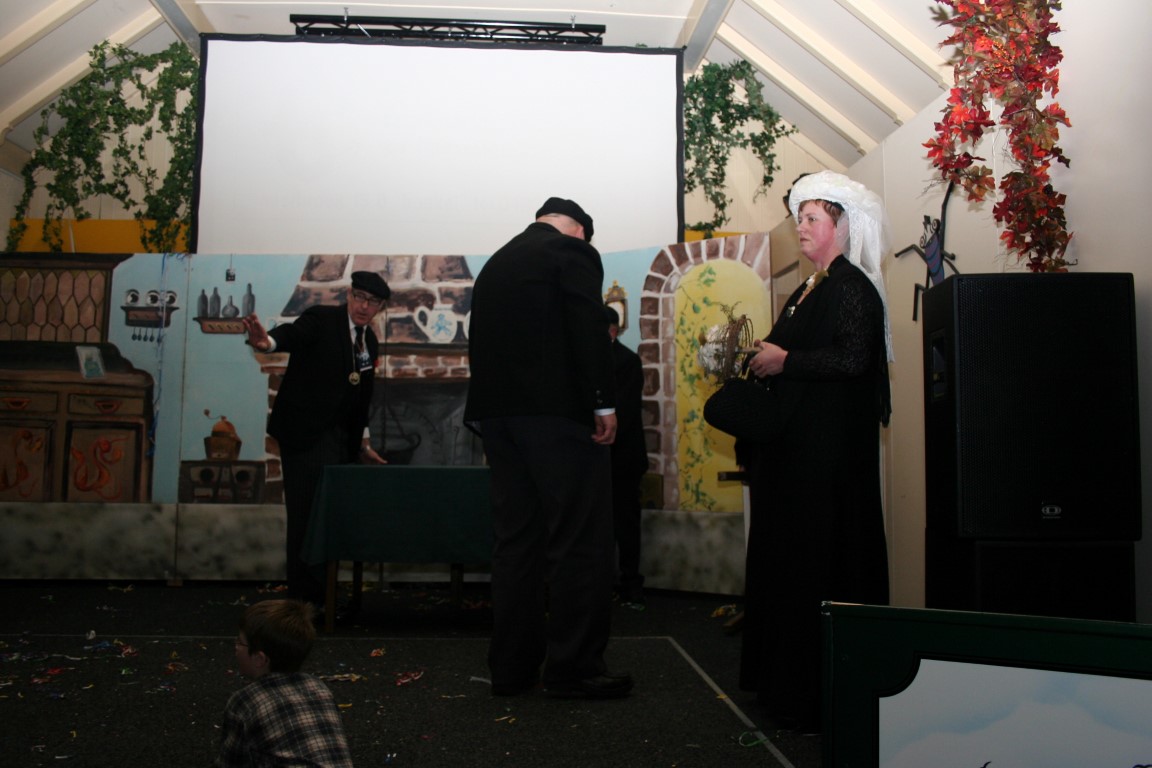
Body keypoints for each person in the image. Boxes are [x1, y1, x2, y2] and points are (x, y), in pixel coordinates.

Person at [739, 170, 892, 733]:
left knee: (818, 571)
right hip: (799, 461)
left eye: (811, 218)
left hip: (827, 469)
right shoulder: (813, 287)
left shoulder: (852, 286)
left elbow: (853, 359)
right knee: (790, 572)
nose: (801, 227)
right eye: (799, 218)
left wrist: (786, 361)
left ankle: (812, 699)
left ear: (843, 225)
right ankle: (784, 689)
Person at [464, 197, 632, 699]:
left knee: (516, 543)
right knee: (580, 541)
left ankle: (511, 669)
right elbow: (587, 327)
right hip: (559, 419)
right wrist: (603, 402)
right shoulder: (571, 251)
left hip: (499, 421)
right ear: (579, 230)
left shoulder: (496, 263)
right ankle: (573, 669)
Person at [242, 271, 389, 606]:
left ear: (380, 307)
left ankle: (322, 596)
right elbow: (293, 335)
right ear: (349, 295)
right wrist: (268, 343)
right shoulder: (322, 319)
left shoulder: (369, 341)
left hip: (341, 442)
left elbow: (361, 397)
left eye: (373, 302)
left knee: (329, 519)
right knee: (307, 518)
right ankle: (301, 603)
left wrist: (363, 443)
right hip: (306, 437)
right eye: (360, 297)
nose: (364, 306)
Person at [215, 599, 353, 767]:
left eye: (240, 642)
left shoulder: (244, 700)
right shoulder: (319, 688)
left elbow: (230, 762)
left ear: (259, 659)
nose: (236, 647)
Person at [605, 306, 648, 609]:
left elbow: (625, 411)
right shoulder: (592, 360)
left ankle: (631, 583)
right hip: (600, 457)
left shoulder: (627, 361)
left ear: (611, 330)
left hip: (623, 458)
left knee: (626, 523)